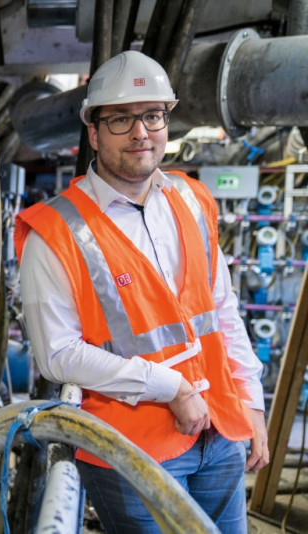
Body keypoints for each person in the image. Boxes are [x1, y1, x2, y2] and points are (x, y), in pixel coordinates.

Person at [14, 50, 270, 533]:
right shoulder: (55, 231)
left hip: (219, 431)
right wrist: (169, 387)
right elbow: (57, 355)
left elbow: (221, 311)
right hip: (131, 450)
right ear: (93, 131)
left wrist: (251, 400)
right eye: (121, 119)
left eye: (153, 115)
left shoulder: (193, 198)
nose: (141, 132)